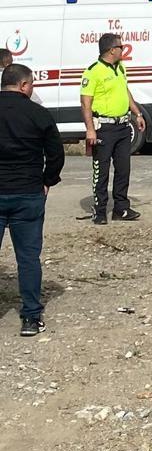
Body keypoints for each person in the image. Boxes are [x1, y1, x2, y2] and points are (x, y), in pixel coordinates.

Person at [0, 62, 65, 335]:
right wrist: (48, 180)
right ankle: (30, 317)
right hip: (28, 192)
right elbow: (56, 154)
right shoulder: (38, 114)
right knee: (28, 258)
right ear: (24, 85)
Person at [80, 34, 145, 224]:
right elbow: (85, 103)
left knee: (123, 169)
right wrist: (90, 129)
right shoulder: (93, 72)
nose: (123, 50)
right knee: (102, 170)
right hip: (104, 128)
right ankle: (100, 210)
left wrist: (137, 113)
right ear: (111, 50)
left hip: (123, 127)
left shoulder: (120, 68)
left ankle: (121, 208)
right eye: (121, 47)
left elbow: (125, 91)